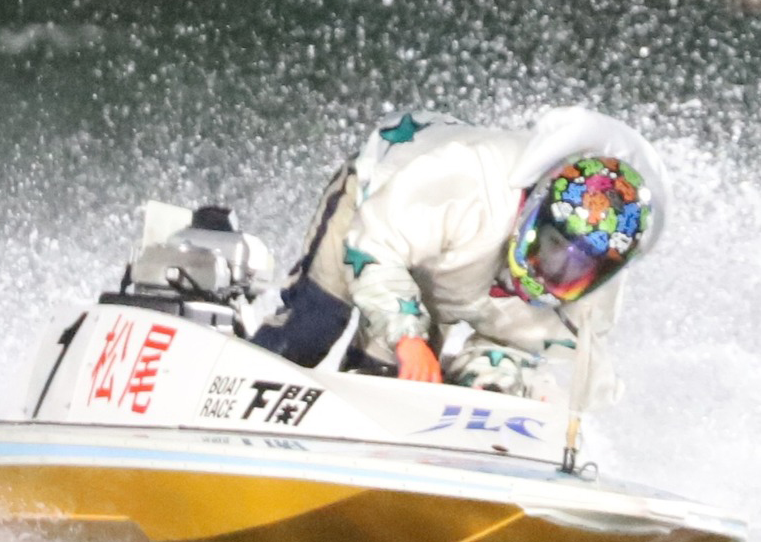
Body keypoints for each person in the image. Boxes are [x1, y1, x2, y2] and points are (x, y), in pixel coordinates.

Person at [247, 106, 662, 402]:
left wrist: (512, 390)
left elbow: (523, 358)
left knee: (392, 384)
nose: (556, 271)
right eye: (554, 245)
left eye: (581, 265)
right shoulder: (471, 183)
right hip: (381, 208)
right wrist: (408, 335)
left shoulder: (592, 302)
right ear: (536, 208)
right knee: (314, 326)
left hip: (449, 274)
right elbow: (373, 246)